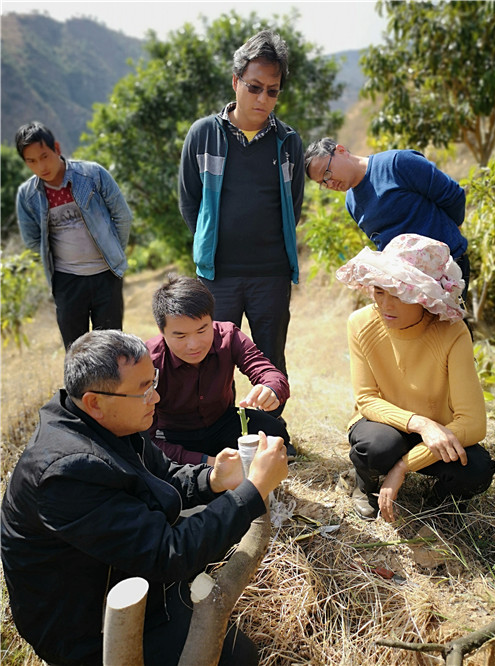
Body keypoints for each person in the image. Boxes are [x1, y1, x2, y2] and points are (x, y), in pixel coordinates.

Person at [1, 329, 288, 666]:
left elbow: (161, 475)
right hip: (90, 628)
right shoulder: (66, 473)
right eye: (143, 391)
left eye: (152, 382)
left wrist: (213, 478)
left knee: (216, 535)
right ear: (95, 401)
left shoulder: (103, 421)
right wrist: (252, 490)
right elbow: (169, 554)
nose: (155, 398)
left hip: (119, 572)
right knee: (238, 658)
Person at [335, 234, 495, 522]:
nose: (386, 305)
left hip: (437, 435)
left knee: (478, 469)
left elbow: (473, 423)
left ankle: (438, 500)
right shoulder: (360, 323)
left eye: (399, 294)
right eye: (380, 292)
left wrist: (404, 468)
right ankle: (364, 483)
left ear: (425, 298)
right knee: (378, 447)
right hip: (383, 425)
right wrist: (420, 423)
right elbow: (366, 399)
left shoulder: (452, 332)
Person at [178, 30, 304, 394]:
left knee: (270, 359)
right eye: (254, 87)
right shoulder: (203, 134)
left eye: (272, 90)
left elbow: (292, 205)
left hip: (271, 275)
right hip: (218, 275)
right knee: (212, 358)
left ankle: (271, 434)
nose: (263, 98)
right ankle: (219, 436)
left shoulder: (288, 142)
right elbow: (190, 202)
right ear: (235, 82)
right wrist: (210, 241)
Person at [146, 274, 295, 465]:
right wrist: (208, 462)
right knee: (151, 455)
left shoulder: (228, 335)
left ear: (211, 320)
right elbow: (146, 438)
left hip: (222, 423)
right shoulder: (149, 359)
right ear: (162, 331)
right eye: (181, 336)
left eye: (202, 330)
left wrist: (270, 389)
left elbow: (268, 372)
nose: (194, 345)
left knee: (274, 430)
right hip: (175, 435)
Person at [15, 121, 133, 348]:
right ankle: (82, 386)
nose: (41, 166)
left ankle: (111, 385)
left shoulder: (93, 175)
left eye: (45, 156)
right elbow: (32, 240)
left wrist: (113, 253)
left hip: (105, 276)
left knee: (112, 348)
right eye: (31, 161)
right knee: (76, 351)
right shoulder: (27, 195)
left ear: (57, 148)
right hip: (66, 282)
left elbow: (122, 217)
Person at [304, 138, 470, 297]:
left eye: (326, 174)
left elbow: (453, 195)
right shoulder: (351, 203)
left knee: (449, 326)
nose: (330, 183)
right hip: (408, 286)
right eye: (323, 183)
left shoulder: (397, 163)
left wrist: (452, 232)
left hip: (447, 270)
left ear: (340, 151)